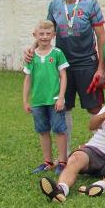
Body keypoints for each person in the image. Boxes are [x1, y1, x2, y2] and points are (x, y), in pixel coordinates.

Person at [38, 0, 105, 148]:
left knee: (94, 107)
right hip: (63, 66)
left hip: (87, 63)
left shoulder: (91, 4)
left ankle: (100, 148)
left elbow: (101, 36)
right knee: (64, 107)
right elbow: (47, 31)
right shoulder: (54, 5)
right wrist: (32, 48)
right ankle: (65, 154)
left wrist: (101, 67)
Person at [23, 20, 69, 175]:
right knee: (43, 130)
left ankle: (62, 162)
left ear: (53, 35)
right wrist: (25, 100)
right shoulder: (31, 56)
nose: (44, 37)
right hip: (38, 101)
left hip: (54, 99)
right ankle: (47, 161)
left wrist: (61, 97)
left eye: (48, 34)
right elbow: (28, 79)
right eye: (41, 34)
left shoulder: (57, 53)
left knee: (59, 129)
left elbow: (63, 76)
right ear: (35, 35)